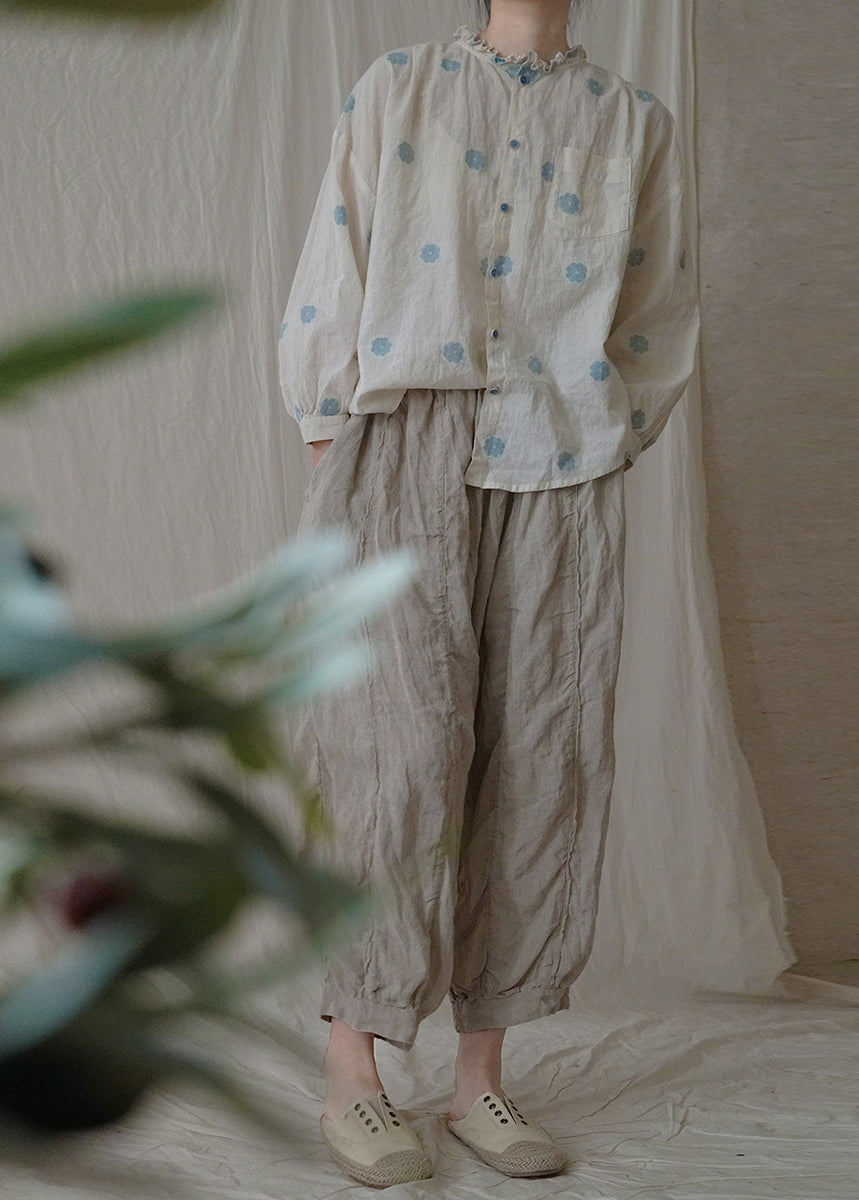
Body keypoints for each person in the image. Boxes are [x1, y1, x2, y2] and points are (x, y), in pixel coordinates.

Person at [278, 0, 700, 1185]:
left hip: (561, 456)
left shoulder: (633, 121)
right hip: (405, 436)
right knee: (396, 753)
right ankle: (355, 1071)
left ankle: (480, 1079)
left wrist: (608, 433)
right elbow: (337, 254)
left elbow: (659, 307)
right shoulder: (401, 86)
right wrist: (334, 434)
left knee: (539, 756)